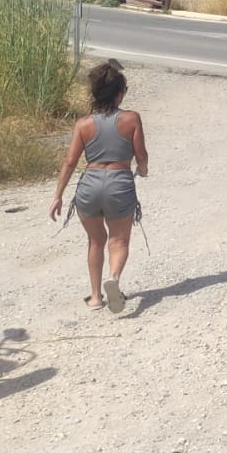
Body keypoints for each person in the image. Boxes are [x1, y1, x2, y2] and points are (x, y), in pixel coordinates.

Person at [49, 60, 148, 314]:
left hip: (89, 185)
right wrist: (143, 170)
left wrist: (58, 196)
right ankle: (113, 279)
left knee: (95, 241)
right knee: (119, 240)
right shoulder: (132, 119)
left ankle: (95, 297)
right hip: (119, 183)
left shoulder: (83, 124)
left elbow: (70, 162)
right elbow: (141, 155)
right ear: (120, 92)